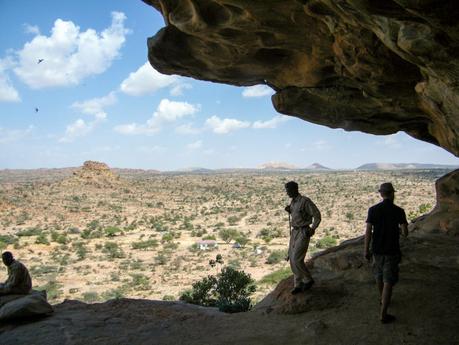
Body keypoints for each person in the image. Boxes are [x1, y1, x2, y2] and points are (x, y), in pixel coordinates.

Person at [364, 182, 408, 324]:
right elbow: (405, 233)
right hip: (392, 250)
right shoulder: (399, 211)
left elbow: (368, 232)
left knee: (379, 275)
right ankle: (383, 314)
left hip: (377, 249)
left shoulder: (373, 210)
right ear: (392, 193)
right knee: (388, 281)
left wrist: (366, 249)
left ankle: (382, 298)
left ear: (381, 194)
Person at [284, 181, 321, 294]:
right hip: (294, 232)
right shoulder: (293, 203)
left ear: (295, 189)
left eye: (289, 190)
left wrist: (313, 228)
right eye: (287, 190)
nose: (287, 193)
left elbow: (317, 215)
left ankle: (308, 279)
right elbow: (298, 214)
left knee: (297, 258)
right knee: (292, 258)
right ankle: (298, 284)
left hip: (304, 231)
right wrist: (289, 210)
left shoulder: (305, 201)